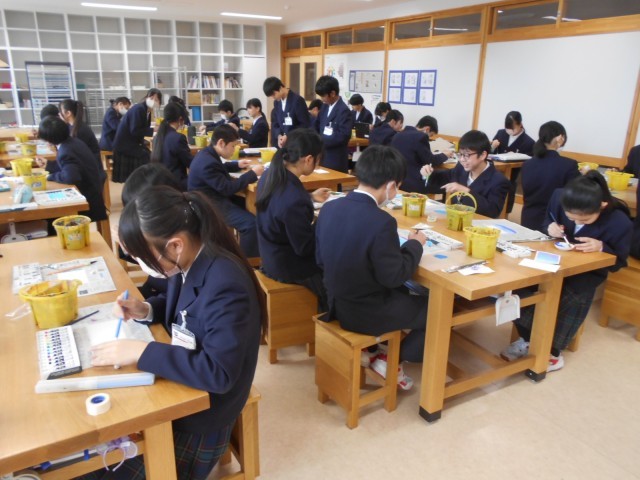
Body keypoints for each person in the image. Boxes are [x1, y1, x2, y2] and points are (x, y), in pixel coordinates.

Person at [85, 185, 263, 480]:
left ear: (175, 245)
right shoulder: (190, 259)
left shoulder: (226, 284)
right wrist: (145, 310)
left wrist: (142, 351)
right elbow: (184, 308)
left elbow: (219, 373)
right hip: (185, 393)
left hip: (201, 419)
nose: (143, 265)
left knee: (98, 472)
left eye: (144, 257)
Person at [315, 145, 429, 390]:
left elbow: (320, 260)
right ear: (391, 185)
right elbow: (394, 276)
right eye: (397, 187)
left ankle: (378, 350)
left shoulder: (330, 208)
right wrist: (414, 245)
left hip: (335, 302)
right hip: (364, 312)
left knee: (406, 293)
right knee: (436, 309)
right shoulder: (382, 221)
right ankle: (391, 361)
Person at [501, 171, 632, 372]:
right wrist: (550, 227)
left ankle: (553, 351)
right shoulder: (558, 196)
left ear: (602, 206)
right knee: (518, 287)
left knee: (573, 296)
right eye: (571, 218)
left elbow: (619, 262)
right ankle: (528, 338)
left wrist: (602, 247)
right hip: (551, 260)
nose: (577, 223)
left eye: (585, 220)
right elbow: (547, 221)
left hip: (586, 272)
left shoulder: (619, 222)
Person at [256, 128, 330, 312]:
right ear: (309, 159)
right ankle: (331, 317)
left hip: (269, 254)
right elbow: (305, 248)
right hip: (287, 265)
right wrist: (325, 218)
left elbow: (281, 203)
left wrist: (310, 197)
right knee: (340, 268)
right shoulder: (294, 199)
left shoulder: (270, 175)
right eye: (318, 159)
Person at [188, 124, 264, 258]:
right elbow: (227, 189)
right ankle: (248, 262)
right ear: (221, 143)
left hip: (209, 197)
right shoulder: (208, 162)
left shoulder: (207, 153)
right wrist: (252, 174)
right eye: (233, 146)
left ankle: (254, 250)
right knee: (251, 224)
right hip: (208, 204)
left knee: (254, 205)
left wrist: (237, 164)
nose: (234, 150)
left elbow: (219, 167)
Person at [423, 130, 510, 218]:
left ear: (482, 155)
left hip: (477, 224)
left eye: (467, 155)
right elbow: (443, 178)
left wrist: (466, 191)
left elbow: (492, 211)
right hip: (455, 220)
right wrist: (427, 173)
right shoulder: (461, 168)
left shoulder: (499, 181)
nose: (462, 159)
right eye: (460, 154)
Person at [35, 115, 106, 222]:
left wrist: (51, 176)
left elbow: (71, 177)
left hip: (88, 201)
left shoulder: (65, 151)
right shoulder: (72, 141)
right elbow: (71, 166)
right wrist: (49, 165)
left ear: (49, 140)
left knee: (48, 218)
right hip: (94, 193)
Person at [521, 121, 580, 231]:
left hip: (528, 221)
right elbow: (575, 197)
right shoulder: (569, 165)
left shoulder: (527, 164)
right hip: (555, 225)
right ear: (560, 138)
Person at [390, 115, 453, 194]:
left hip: (398, 181)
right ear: (427, 129)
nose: (429, 137)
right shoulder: (420, 136)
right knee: (446, 182)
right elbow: (430, 161)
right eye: (431, 135)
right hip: (414, 184)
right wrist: (444, 155)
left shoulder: (397, 135)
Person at [112, 88, 162, 183]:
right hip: (125, 145)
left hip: (131, 142)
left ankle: (140, 183)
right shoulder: (139, 109)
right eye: (151, 97)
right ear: (147, 97)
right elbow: (135, 130)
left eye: (156, 99)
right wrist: (154, 130)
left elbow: (140, 128)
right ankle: (140, 183)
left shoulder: (146, 110)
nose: (153, 100)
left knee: (150, 155)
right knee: (148, 158)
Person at [491, 111, 535, 214]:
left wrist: (516, 156)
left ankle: (505, 214)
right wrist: (492, 147)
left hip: (512, 176)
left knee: (507, 197)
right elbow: (489, 152)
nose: (509, 131)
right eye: (507, 128)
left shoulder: (529, 142)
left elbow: (531, 163)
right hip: (495, 172)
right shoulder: (501, 133)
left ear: (520, 124)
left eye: (512, 128)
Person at [313, 75, 353, 173]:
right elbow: (316, 125)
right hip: (322, 156)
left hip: (335, 159)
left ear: (333, 93)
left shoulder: (344, 111)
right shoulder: (324, 107)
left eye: (323, 96)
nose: (322, 99)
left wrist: (321, 140)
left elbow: (343, 136)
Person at [151, 102, 192, 190]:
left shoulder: (156, 137)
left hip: (159, 183)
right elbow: (190, 163)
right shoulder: (178, 138)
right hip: (176, 184)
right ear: (180, 119)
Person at [263, 76, 310, 148]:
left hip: (295, 143)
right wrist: (279, 136)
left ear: (280, 88)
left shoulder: (297, 100)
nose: (273, 97)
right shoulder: (277, 103)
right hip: (282, 144)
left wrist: (288, 135)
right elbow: (276, 123)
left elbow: (304, 124)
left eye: (274, 94)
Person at [59, 98, 102, 171]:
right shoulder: (72, 126)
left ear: (68, 113)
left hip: (91, 170)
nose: (59, 114)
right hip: (85, 167)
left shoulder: (80, 130)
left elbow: (74, 154)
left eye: (60, 111)